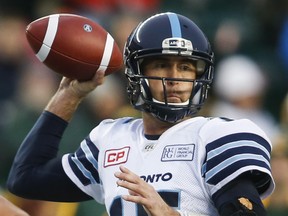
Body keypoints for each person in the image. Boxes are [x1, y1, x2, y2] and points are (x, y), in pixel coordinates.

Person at [7, 12, 274, 216]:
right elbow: (25, 179)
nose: (175, 79)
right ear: (136, 74)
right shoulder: (110, 139)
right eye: (161, 65)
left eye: (185, 67)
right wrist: (68, 96)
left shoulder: (217, 136)